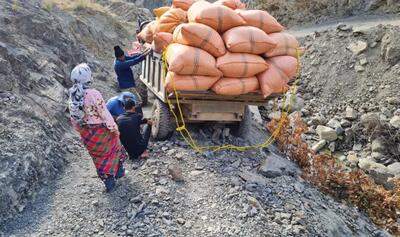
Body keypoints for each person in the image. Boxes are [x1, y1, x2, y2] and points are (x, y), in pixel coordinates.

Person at [68, 63, 127, 192]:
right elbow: (104, 113)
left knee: (98, 157)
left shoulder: (73, 94)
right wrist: (113, 128)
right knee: (115, 148)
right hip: (101, 129)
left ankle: (108, 181)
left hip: (86, 132)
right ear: (89, 77)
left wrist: (81, 131)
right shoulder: (93, 93)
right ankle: (118, 171)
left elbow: (73, 117)